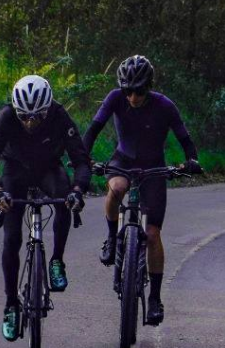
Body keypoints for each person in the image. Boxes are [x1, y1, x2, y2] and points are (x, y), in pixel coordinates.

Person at [83, 55, 202, 326]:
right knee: (117, 188)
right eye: (127, 90)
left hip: (154, 168)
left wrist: (191, 162)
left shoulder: (164, 105)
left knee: (152, 233)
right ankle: (113, 239)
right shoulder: (115, 98)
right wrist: (83, 158)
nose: (132, 97)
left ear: (148, 87)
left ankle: (155, 299)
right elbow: (93, 130)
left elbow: (185, 139)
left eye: (138, 91)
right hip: (123, 161)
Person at [0, 75, 90, 341]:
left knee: (64, 199)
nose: (30, 123)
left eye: (37, 117)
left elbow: (81, 161)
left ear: (48, 110)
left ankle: (56, 261)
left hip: (48, 169)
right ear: (16, 111)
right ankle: (10, 305)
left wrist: (78, 190)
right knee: (11, 238)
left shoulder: (60, 116)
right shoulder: (6, 117)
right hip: (15, 171)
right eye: (24, 117)